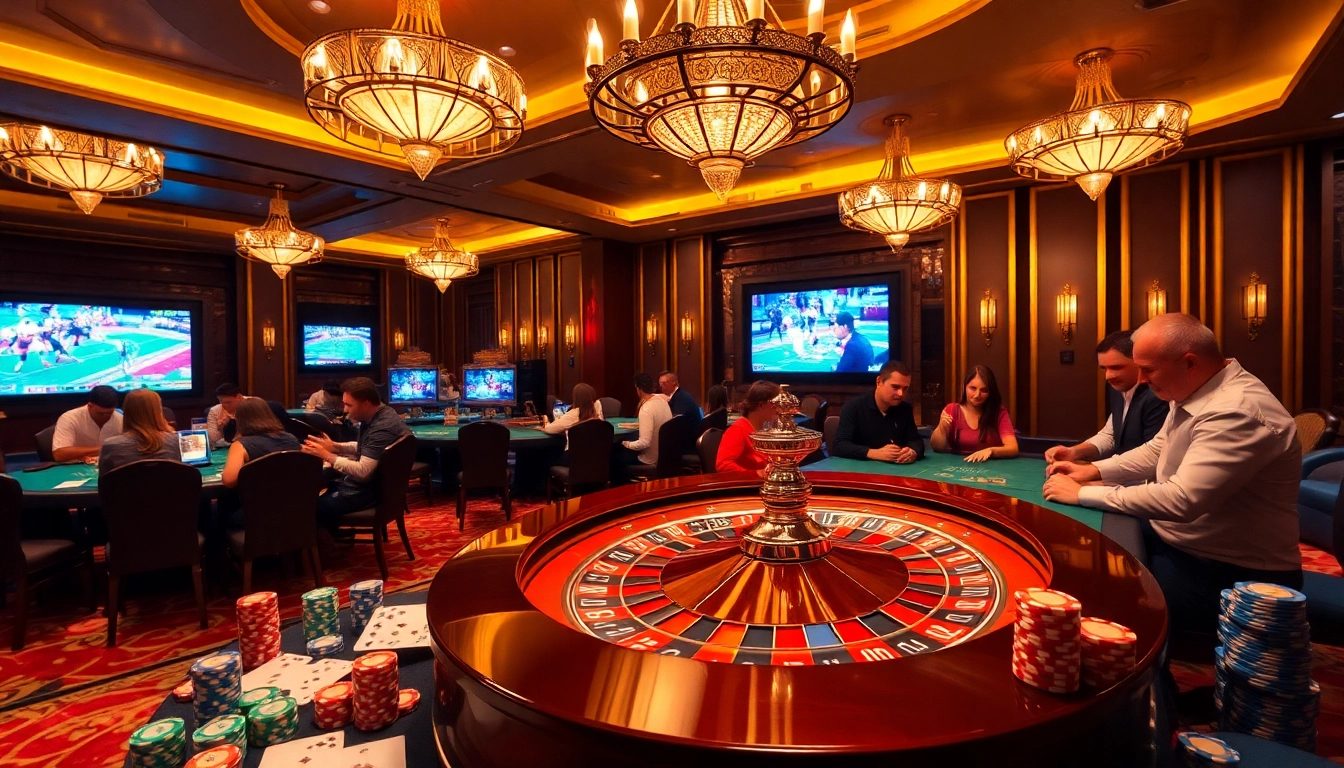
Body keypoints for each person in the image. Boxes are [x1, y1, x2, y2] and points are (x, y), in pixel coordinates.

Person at [1043, 314, 1302, 635]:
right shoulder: (1195, 390)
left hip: (1230, 574)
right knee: (1090, 559)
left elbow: (1182, 500)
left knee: (1107, 609)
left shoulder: (1235, 410)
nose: (1142, 380)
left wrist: (1082, 493)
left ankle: (1156, 686)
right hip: (1182, 546)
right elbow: (1156, 450)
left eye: (1148, 370)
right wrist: (1092, 470)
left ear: (1189, 362)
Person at [1044, 330, 1167, 464]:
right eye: (1104, 368)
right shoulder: (1118, 387)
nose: (1108, 376)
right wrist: (1073, 452)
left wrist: (1095, 473)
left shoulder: (1158, 396)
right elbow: (1110, 435)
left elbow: (1153, 458)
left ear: (1139, 362)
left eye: (1116, 367)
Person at [302, 377, 412, 527]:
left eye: (349, 405)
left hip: (366, 493)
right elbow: (367, 447)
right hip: (374, 488)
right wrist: (335, 446)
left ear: (366, 403)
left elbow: (363, 471)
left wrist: (327, 456)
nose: (345, 409)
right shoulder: (385, 412)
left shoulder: (381, 427)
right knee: (320, 492)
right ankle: (336, 540)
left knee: (307, 508)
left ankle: (326, 549)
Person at [832, 360, 924, 463]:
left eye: (905, 388)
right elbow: (839, 446)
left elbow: (916, 440)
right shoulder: (853, 407)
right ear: (879, 382)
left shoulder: (904, 409)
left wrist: (912, 452)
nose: (901, 394)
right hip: (860, 471)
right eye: (895, 387)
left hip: (895, 471)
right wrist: (874, 453)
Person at [931, 365, 1019, 462]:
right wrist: (941, 428)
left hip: (991, 469)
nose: (977, 395)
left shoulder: (999, 413)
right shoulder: (952, 410)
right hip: (958, 467)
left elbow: (1013, 448)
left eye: (984, 390)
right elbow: (937, 447)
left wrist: (991, 451)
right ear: (964, 387)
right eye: (973, 388)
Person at [222, 397, 302, 488]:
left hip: (256, 499)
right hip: (295, 498)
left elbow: (228, 480)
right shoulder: (291, 439)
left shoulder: (240, 445)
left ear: (239, 420)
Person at [98, 389, 180, 475]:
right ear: (158, 411)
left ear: (127, 411)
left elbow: (104, 483)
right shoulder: (175, 441)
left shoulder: (110, 445)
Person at [716, 381, 780, 475]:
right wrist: (755, 474)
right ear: (761, 405)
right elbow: (722, 465)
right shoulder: (738, 430)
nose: (779, 410)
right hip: (748, 487)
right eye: (776, 405)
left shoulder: (764, 429)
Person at [52, 385, 123, 462]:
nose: (105, 417)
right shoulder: (69, 419)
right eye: (100, 414)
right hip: (76, 469)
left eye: (109, 413)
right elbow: (59, 454)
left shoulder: (120, 419)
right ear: (90, 406)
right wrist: (103, 449)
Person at [618, 373, 673, 467]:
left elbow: (644, 443)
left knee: (615, 457)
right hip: (665, 456)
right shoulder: (663, 401)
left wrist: (625, 443)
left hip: (649, 459)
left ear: (638, 389)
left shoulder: (646, 409)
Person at [658, 370, 701, 440]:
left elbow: (675, 423)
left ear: (674, 383)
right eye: (660, 384)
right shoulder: (678, 394)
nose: (661, 386)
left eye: (664, 383)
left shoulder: (681, 398)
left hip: (688, 440)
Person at [207, 383, 247, 447]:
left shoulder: (253, 405)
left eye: (228, 402)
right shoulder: (215, 411)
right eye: (221, 401)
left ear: (239, 397)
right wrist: (221, 428)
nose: (224, 405)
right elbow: (212, 439)